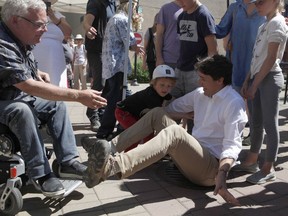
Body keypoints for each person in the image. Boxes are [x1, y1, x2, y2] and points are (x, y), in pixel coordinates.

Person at [83, 55, 248, 206]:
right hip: (192, 157)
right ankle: (108, 149)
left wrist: (223, 172)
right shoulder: (200, 94)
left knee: (175, 133)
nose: (199, 83)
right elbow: (169, 110)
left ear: (219, 80)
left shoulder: (234, 103)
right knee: (156, 113)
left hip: (211, 170)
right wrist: (160, 113)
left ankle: (111, 167)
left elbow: (232, 145)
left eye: (203, 79)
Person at [0, 0, 107, 197]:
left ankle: (67, 162)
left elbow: (18, 71)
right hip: (7, 102)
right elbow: (27, 86)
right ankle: (40, 173)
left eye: (46, 24)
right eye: (39, 24)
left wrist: (36, 71)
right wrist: (78, 95)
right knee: (21, 110)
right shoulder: (2, 42)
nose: (44, 29)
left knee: (55, 104)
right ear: (15, 20)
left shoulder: (20, 39)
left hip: (12, 96)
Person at [233, 0, 287, 185]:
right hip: (258, 77)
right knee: (256, 122)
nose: (257, 5)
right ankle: (251, 161)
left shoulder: (277, 22)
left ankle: (268, 167)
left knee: (269, 124)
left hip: (270, 78)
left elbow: (271, 58)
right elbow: (257, 57)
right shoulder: (264, 24)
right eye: (255, 2)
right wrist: (248, 79)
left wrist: (254, 84)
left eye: (261, 2)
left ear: (275, 1)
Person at [96, 0, 144, 140]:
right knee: (115, 100)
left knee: (126, 98)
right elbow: (130, 41)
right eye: (135, 8)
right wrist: (137, 47)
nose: (135, 12)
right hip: (116, 65)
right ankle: (104, 131)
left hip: (112, 64)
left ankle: (124, 126)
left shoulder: (115, 18)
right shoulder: (123, 19)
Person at [173, 0, 218, 133]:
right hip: (179, 69)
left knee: (196, 114)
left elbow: (213, 49)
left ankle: (193, 148)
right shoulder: (181, 16)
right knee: (172, 109)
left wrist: (206, 74)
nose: (180, 2)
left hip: (196, 73)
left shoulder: (203, 15)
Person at [115, 64, 176, 151]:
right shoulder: (152, 96)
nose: (165, 89)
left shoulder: (161, 92)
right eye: (162, 85)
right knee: (136, 135)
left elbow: (173, 98)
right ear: (154, 83)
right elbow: (162, 116)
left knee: (148, 132)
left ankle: (149, 154)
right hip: (124, 112)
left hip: (134, 114)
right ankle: (128, 157)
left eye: (169, 86)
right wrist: (184, 115)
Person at [215, 0, 266, 93]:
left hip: (258, 64)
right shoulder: (235, 7)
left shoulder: (266, 6)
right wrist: (203, 20)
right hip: (237, 63)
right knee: (236, 99)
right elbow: (220, 30)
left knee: (254, 103)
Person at [83, 0, 117, 132]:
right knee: (100, 82)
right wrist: (88, 29)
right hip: (96, 48)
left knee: (108, 83)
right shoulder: (96, 2)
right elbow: (86, 21)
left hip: (108, 49)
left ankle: (101, 112)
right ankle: (93, 113)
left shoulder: (112, 4)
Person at [32, 0, 72, 88]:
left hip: (55, 54)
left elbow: (68, 32)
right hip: (36, 51)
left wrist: (54, 18)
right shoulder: (31, 13)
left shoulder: (58, 15)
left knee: (55, 79)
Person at [155, 0, 183, 69]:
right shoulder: (165, 9)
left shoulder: (193, 9)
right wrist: (159, 57)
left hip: (189, 61)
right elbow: (159, 35)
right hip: (169, 60)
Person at [142, 13, 158, 79]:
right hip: (152, 60)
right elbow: (145, 48)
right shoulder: (150, 31)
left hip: (163, 60)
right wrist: (144, 62)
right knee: (153, 79)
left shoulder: (164, 31)